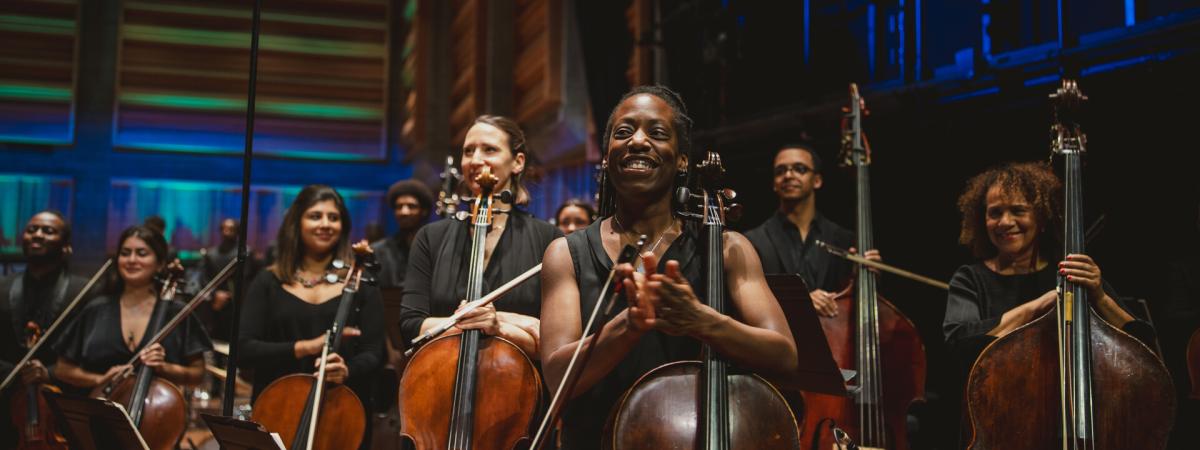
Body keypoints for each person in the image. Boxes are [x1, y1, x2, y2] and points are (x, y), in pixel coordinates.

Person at [539, 86, 799, 449]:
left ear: (681, 160)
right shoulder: (565, 254)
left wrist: (701, 320)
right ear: (607, 156)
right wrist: (628, 325)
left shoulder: (727, 248)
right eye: (624, 132)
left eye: (657, 133)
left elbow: (784, 356)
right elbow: (556, 376)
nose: (639, 141)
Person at [942, 162, 1153, 445]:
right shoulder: (970, 278)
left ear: (1040, 219)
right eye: (995, 213)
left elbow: (1143, 348)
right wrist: (1039, 305)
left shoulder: (1071, 275)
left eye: (1017, 210)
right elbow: (959, 341)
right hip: (999, 427)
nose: (1005, 222)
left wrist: (1099, 296)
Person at [399, 115, 561, 358]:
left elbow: (556, 340)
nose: (475, 160)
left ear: (517, 162)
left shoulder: (549, 240)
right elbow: (410, 326)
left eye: (489, 150)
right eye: (468, 151)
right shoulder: (431, 237)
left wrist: (498, 324)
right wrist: (516, 322)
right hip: (441, 376)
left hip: (520, 385)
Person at [238, 185, 385, 447]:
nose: (326, 224)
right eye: (315, 216)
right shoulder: (267, 282)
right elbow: (244, 348)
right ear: (297, 223)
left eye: (334, 217)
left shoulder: (362, 283)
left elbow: (375, 352)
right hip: (277, 408)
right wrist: (307, 347)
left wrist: (347, 370)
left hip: (342, 413)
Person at [53, 226, 211, 397]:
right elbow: (61, 369)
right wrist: (98, 380)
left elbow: (198, 374)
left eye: (142, 253)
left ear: (159, 264)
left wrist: (164, 367)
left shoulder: (178, 314)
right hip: (100, 413)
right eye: (125, 253)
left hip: (159, 415)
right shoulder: (96, 309)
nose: (131, 260)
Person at [745, 143, 880, 317]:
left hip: (835, 338)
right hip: (781, 340)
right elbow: (750, 302)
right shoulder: (753, 241)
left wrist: (865, 277)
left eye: (799, 169)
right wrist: (800, 303)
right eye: (780, 171)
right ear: (774, 184)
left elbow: (853, 301)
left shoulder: (844, 239)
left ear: (817, 180)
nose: (788, 175)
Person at [0, 211, 96, 445]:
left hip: (61, 408)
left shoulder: (84, 291)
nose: (38, 235)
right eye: (32, 229)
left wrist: (50, 372)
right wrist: (16, 373)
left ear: (66, 247)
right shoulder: (2, 288)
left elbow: (92, 353)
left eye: (48, 231)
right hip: (5, 408)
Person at [371, 180, 435, 290]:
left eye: (411, 206)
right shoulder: (378, 250)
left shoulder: (435, 249)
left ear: (423, 211)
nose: (404, 212)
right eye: (399, 206)